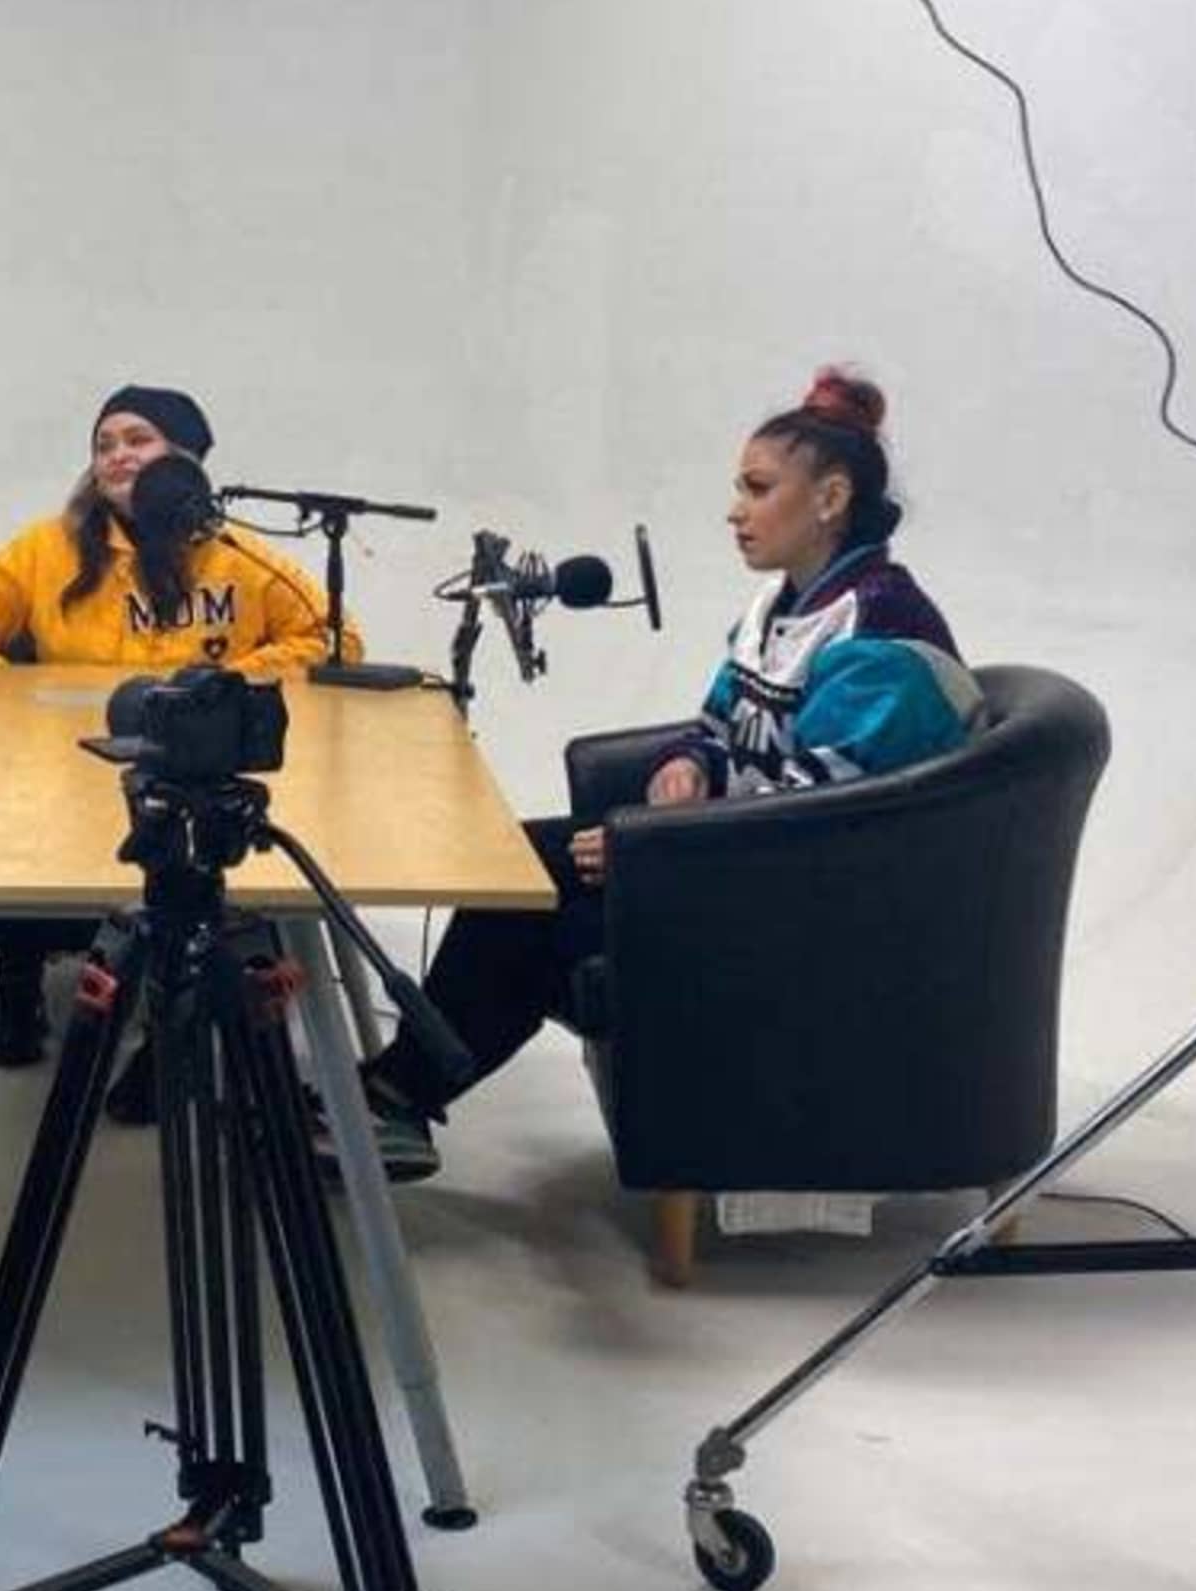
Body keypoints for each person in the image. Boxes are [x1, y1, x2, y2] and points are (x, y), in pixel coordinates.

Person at [343, 366, 982, 1182]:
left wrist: (658, 852)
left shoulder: (884, 627)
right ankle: (399, 1094)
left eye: (757, 488)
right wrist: (687, 766)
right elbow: (718, 731)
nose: (735, 510)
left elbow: (830, 813)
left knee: (539, 917)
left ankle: (395, 1098)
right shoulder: (779, 606)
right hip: (743, 867)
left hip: (823, 909)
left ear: (828, 499)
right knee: (520, 866)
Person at [0, 382, 353, 1067]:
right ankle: (19, 985)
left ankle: (176, 1021)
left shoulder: (238, 555)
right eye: (104, 444)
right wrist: (12, 694)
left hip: (190, 760)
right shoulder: (46, 549)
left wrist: (227, 683)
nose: (116, 456)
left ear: (184, 460)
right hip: (67, 758)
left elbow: (331, 639)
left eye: (137, 439)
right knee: (22, 814)